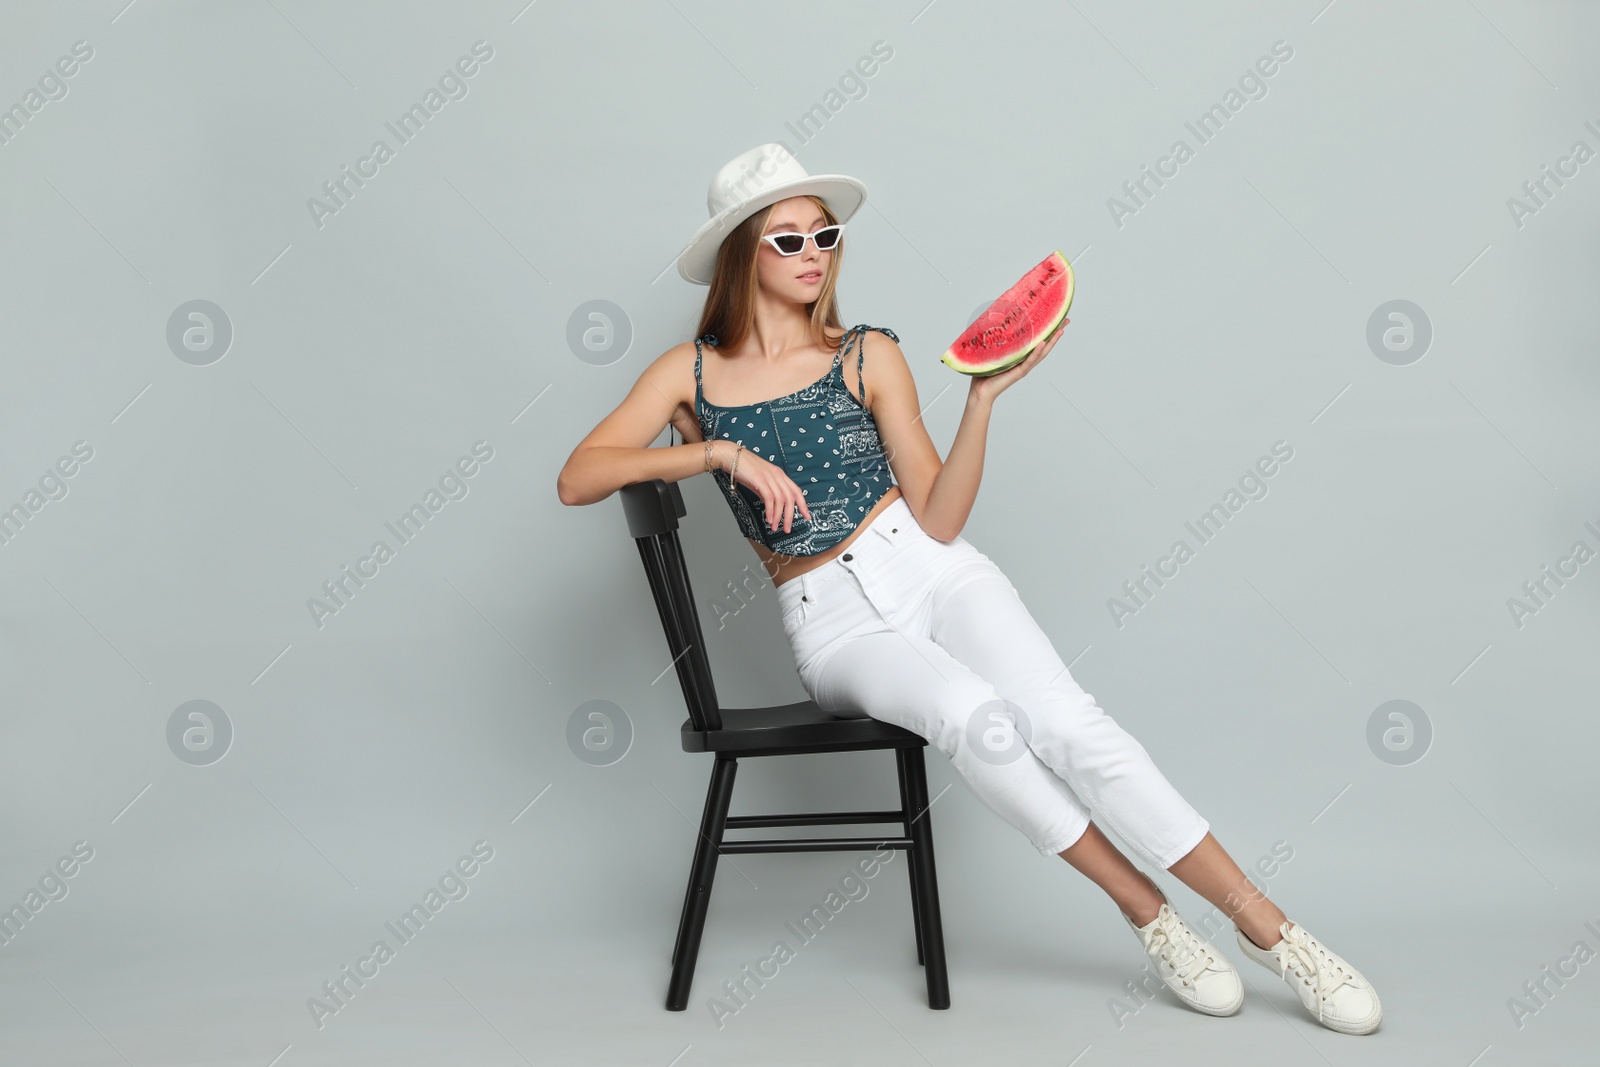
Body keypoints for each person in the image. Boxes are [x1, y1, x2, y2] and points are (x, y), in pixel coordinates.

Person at [557, 143, 1382, 1035]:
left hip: (929, 566)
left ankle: (1272, 927)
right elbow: (579, 474)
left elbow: (940, 517)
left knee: (1067, 720)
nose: (813, 255)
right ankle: (1149, 913)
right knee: (970, 713)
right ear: (740, 254)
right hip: (829, 624)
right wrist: (717, 451)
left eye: (824, 235)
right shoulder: (688, 374)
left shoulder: (868, 353)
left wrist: (982, 401)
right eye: (787, 239)